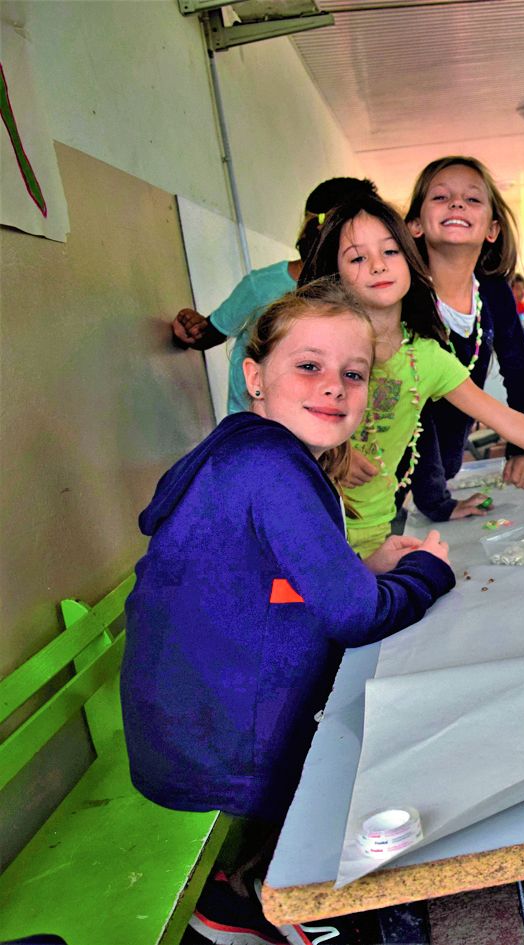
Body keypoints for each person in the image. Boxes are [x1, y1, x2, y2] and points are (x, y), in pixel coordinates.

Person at [124, 279, 457, 945]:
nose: (332, 385)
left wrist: (362, 570)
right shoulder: (270, 466)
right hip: (216, 754)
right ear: (255, 376)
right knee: (380, 740)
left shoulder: (241, 448)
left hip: (180, 733)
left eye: (352, 373)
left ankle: (239, 893)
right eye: (308, 365)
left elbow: (277, 585)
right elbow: (355, 616)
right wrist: (428, 570)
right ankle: (307, 902)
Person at [299, 193, 524, 556]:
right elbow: (271, 419)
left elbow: (508, 421)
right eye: (357, 257)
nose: (377, 265)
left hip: (376, 534)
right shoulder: (316, 345)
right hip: (311, 534)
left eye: (390, 252)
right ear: (335, 274)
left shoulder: (426, 357)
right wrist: (330, 449)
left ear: (411, 259)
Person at [402, 155, 524, 521]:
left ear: (492, 230)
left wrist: (523, 449)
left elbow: (522, 373)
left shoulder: (494, 293)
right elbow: (412, 409)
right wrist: (436, 501)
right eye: (440, 197)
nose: (457, 203)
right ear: (415, 225)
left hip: (441, 471)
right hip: (382, 475)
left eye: (472, 199)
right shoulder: (403, 296)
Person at [170, 177, 377, 416]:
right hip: (254, 426)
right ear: (313, 228)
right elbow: (210, 333)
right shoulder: (262, 285)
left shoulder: (361, 296)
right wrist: (190, 327)